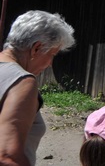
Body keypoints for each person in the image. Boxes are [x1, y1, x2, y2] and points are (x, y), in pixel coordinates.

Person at [0, 10, 75, 165]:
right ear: (36, 48)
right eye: (52, 55)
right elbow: (7, 156)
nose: (50, 64)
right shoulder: (21, 82)